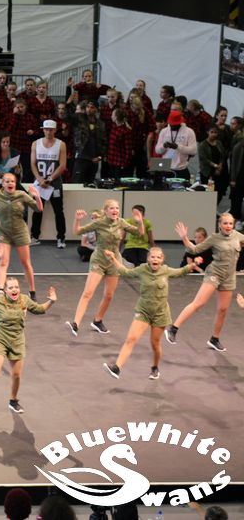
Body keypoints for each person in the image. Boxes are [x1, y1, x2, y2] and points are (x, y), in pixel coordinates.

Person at [0, 279, 56, 416]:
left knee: (16, 375)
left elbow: (40, 309)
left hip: (17, 342)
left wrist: (51, 301)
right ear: (5, 290)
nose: (14, 290)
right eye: (11, 288)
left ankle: (13, 401)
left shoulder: (24, 299)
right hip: (0, 340)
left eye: (16, 287)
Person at [102, 247, 197, 380]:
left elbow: (181, 272)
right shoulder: (142, 269)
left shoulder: (165, 270)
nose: (155, 259)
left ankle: (155, 368)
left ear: (162, 260)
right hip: (143, 311)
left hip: (160, 314)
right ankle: (117, 368)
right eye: (152, 257)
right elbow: (125, 272)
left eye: (158, 257)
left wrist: (192, 265)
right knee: (131, 339)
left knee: (155, 344)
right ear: (148, 259)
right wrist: (113, 258)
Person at [66, 200, 145, 337]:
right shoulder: (99, 223)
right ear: (106, 211)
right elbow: (77, 231)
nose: (115, 210)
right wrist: (77, 220)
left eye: (117, 208)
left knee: (109, 295)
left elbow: (140, 233)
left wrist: (140, 222)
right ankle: (76, 323)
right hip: (99, 260)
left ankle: (98, 321)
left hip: (114, 261)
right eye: (112, 208)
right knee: (88, 292)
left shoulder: (121, 222)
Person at [166, 214, 244, 351]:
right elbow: (194, 249)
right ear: (220, 225)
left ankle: (214, 339)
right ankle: (173, 329)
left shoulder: (238, 236)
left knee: (223, 309)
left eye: (230, 224)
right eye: (225, 223)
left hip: (229, 277)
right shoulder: (214, 238)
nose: (228, 226)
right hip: (214, 273)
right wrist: (184, 237)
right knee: (199, 303)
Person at [0, 174, 43, 297]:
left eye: (12, 181)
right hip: (3, 231)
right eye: (7, 181)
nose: (10, 183)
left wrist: (37, 197)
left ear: (15, 183)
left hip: (20, 231)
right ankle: (0, 291)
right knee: (3, 262)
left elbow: (38, 209)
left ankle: (32, 292)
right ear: (3, 184)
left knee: (25, 262)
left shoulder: (22, 195)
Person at [30, 119, 67, 248]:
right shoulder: (36, 143)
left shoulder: (61, 144)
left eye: (51, 130)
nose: (48, 132)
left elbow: (62, 165)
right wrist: (40, 179)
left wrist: (50, 179)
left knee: (59, 211)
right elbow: (33, 164)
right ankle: (35, 236)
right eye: (46, 129)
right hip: (40, 183)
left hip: (54, 183)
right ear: (43, 130)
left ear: (55, 130)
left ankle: (61, 238)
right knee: (37, 210)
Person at [155, 110, 197, 181]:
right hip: (165, 167)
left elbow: (193, 151)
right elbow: (157, 151)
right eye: (171, 124)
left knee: (181, 187)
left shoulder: (189, 132)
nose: (172, 126)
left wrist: (178, 147)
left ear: (180, 123)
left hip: (181, 168)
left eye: (174, 125)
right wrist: (164, 146)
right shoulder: (164, 131)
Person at [72, 100, 105, 185]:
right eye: (87, 107)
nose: (89, 109)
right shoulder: (80, 119)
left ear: (96, 109)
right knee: (77, 183)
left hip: (94, 159)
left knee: (91, 184)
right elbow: (68, 115)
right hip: (81, 156)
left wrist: (100, 157)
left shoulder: (100, 123)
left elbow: (104, 141)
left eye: (92, 107)